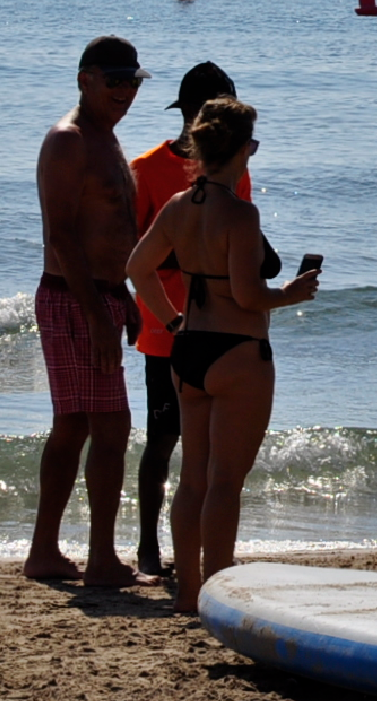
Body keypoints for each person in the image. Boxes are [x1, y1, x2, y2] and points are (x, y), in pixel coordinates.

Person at [126, 97, 320, 612]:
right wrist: (291, 294)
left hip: (187, 348)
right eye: (252, 145)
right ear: (239, 152)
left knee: (192, 478)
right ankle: (217, 589)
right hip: (239, 351)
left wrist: (170, 321)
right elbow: (248, 295)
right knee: (226, 483)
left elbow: (138, 268)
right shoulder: (240, 213)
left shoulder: (175, 206)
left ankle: (189, 591)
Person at [26, 35, 158, 587]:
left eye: (134, 83)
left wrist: (121, 295)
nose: (125, 93)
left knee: (75, 426)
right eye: (115, 82)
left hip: (98, 296)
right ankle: (101, 559)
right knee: (111, 427)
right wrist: (97, 314)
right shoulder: (69, 140)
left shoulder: (108, 139)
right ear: (86, 79)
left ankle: (44, 552)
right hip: (72, 296)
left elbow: (107, 230)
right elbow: (61, 234)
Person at [129, 62, 250, 578]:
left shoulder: (236, 171)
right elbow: (133, 255)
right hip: (166, 327)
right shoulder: (148, 168)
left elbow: (238, 249)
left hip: (223, 323)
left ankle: (198, 549)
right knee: (164, 439)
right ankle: (148, 545)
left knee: (213, 446)